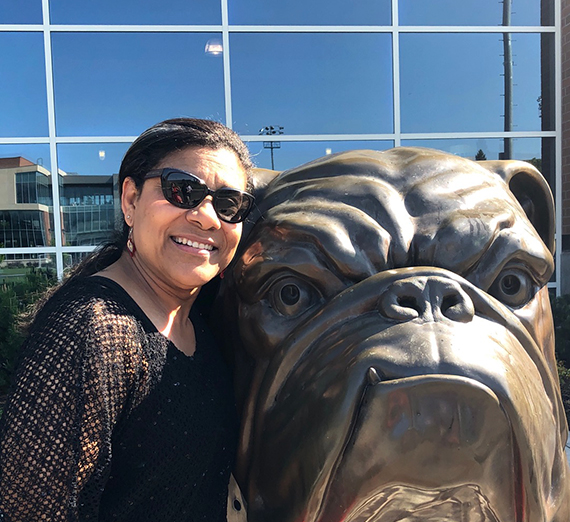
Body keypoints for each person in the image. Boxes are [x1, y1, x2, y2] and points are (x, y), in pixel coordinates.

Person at [0, 118, 255, 521]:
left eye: (228, 205)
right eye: (182, 190)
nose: (208, 217)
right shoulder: (92, 330)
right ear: (130, 200)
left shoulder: (201, 318)